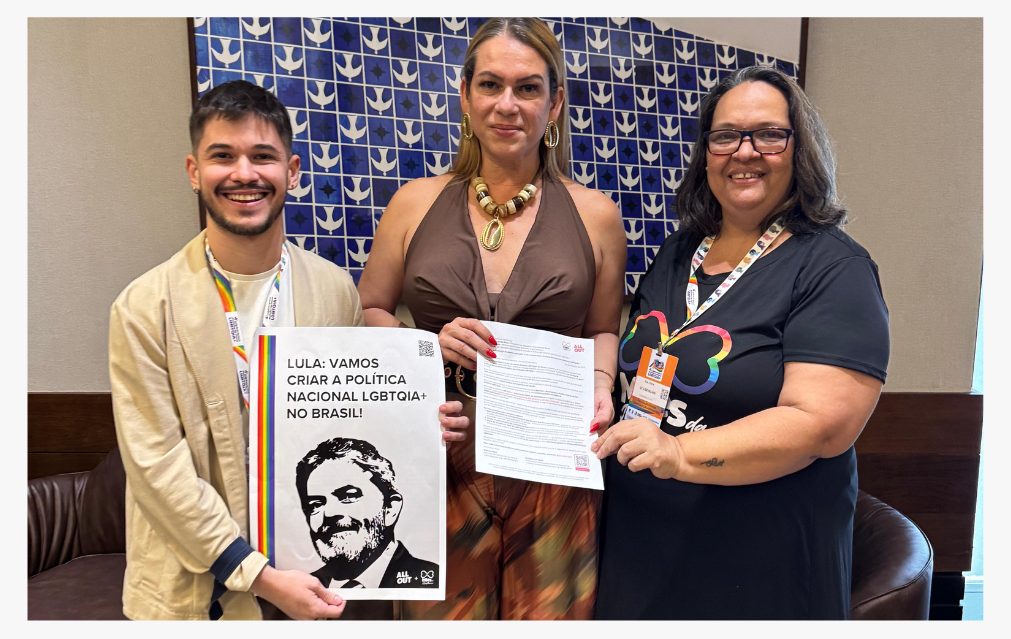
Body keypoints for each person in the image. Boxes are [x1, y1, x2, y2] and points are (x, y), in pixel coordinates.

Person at [108, 80, 465, 620]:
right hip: (196, 594)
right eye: (222, 156)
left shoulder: (334, 289)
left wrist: (416, 429)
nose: (244, 174)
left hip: (317, 579)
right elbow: (157, 469)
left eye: (263, 156)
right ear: (193, 172)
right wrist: (259, 577)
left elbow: (357, 423)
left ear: (292, 172)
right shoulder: (142, 308)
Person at [592, 66, 889, 620]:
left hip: (755, 567)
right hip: (641, 550)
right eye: (726, 135)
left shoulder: (835, 268)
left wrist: (677, 453)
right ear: (707, 153)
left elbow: (819, 426)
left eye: (769, 134)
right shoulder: (680, 251)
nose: (744, 151)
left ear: (800, 149)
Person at [357, 18, 626, 620]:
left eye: (528, 88)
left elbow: (604, 328)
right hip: (438, 459)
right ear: (465, 96)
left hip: (555, 471)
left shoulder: (596, 215)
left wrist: (602, 386)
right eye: (491, 85)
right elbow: (369, 307)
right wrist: (421, 349)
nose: (508, 104)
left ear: (555, 104)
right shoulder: (413, 202)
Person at [297, 437, 439, 589]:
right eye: (315, 505)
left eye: (349, 496)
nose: (329, 513)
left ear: (390, 508)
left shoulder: (434, 581)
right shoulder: (301, 589)